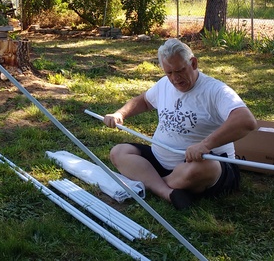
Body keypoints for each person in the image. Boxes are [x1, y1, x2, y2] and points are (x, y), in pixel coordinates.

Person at [102, 38, 257, 210]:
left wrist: (205, 145)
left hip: (202, 164)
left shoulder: (216, 91)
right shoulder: (164, 84)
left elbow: (246, 121)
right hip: (161, 161)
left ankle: (150, 181)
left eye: (180, 70)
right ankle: (167, 192)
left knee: (203, 169)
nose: (175, 78)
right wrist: (120, 113)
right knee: (119, 152)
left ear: (193, 63)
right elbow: (144, 101)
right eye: (169, 73)